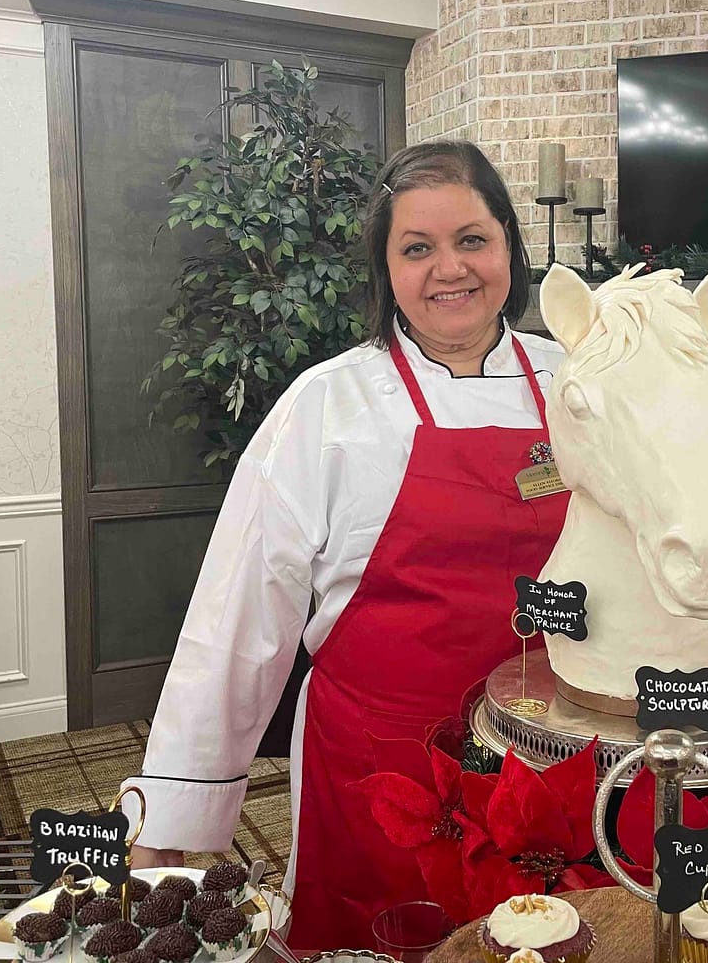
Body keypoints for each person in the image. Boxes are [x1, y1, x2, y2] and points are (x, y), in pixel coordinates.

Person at [120, 141, 570, 950]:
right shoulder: (328, 403)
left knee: (543, 940)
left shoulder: (578, 384)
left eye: (472, 239)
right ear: (385, 269)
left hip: (546, 755)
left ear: (510, 243)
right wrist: (178, 806)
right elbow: (241, 612)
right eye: (417, 248)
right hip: (379, 769)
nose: (450, 269)